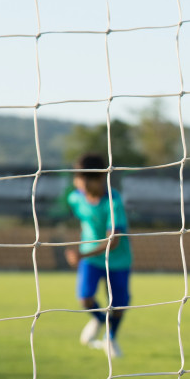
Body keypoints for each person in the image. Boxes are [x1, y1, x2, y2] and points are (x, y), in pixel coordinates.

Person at [65, 153, 132, 359]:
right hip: (92, 259)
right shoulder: (75, 198)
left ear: (100, 178)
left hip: (117, 260)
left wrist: (82, 253)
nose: (80, 183)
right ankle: (100, 320)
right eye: (78, 178)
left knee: (118, 305)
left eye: (85, 179)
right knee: (85, 298)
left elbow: (114, 240)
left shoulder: (113, 201)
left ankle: (110, 338)